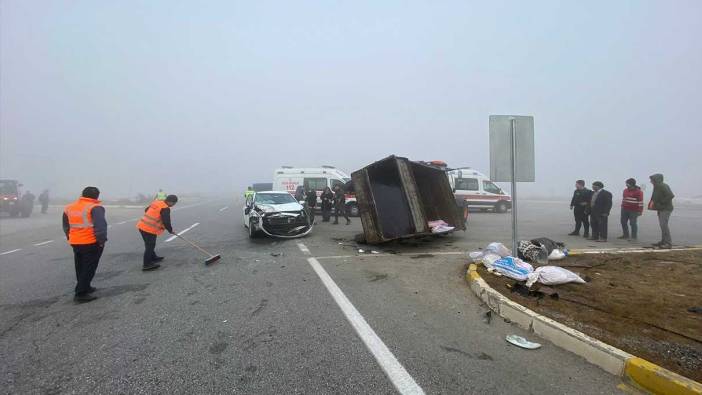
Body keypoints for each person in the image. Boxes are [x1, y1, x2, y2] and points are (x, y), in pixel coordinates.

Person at [62, 186, 107, 303]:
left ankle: (85, 286)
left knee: (80, 266)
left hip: (75, 242)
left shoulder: (69, 207)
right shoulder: (95, 207)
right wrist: (101, 241)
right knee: (89, 267)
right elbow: (101, 227)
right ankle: (81, 293)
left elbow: (66, 225)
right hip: (90, 242)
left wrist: (70, 237)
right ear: (97, 196)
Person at [137, 194, 178, 271]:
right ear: (171, 202)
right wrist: (170, 230)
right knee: (150, 246)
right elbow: (166, 221)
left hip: (142, 225)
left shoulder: (157, 202)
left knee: (148, 244)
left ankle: (153, 257)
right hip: (149, 229)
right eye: (174, 203)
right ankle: (146, 264)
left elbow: (146, 210)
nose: (173, 205)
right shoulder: (165, 208)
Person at [648, 173, 674, 249]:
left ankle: (668, 243)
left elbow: (670, 195)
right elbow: (655, 197)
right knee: (662, 226)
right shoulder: (657, 186)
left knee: (664, 225)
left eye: (652, 180)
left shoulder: (662, 186)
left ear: (656, 179)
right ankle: (663, 241)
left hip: (666, 209)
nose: (651, 181)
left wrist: (661, 202)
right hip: (661, 209)